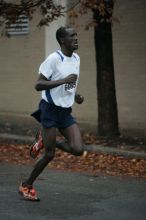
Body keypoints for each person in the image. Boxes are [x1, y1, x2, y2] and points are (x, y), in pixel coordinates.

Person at [18, 26, 85, 201]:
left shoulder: (76, 58)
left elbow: (70, 84)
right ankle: (26, 185)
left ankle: (45, 140)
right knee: (49, 154)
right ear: (62, 40)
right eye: (72, 36)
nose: (76, 38)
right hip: (49, 110)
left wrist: (75, 95)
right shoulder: (53, 59)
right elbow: (38, 85)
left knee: (78, 149)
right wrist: (63, 80)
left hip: (65, 112)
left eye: (76, 35)